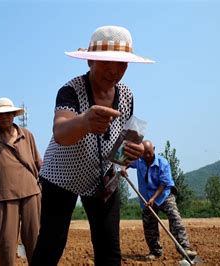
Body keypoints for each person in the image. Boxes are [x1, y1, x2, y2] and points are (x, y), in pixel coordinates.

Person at [30, 25, 153, 266]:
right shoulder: (70, 90)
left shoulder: (126, 95)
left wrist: (130, 153)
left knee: (109, 249)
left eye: (122, 64)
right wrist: (84, 121)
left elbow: (121, 147)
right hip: (61, 176)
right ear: (90, 62)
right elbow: (61, 132)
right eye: (106, 62)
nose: (115, 71)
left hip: (103, 177)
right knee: (51, 244)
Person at [0, 97, 42, 266]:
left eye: (7, 114)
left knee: (34, 239)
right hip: (5, 196)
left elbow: (39, 164)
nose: (4, 117)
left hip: (31, 193)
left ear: (13, 114)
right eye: (0, 115)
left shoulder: (27, 136)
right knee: (6, 242)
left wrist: (46, 189)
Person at [121, 140, 197, 260]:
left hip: (164, 195)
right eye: (144, 153)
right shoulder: (139, 160)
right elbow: (126, 162)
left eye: (149, 153)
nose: (146, 156)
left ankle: (185, 248)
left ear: (154, 149)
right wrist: (124, 168)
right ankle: (155, 251)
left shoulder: (163, 163)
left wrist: (153, 198)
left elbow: (163, 184)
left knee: (174, 217)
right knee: (149, 224)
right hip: (146, 198)